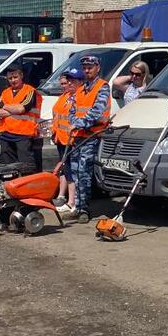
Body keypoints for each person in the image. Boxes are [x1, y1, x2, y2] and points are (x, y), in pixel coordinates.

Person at [66, 54, 112, 218]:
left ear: (97, 68)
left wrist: (78, 123)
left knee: (84, 172)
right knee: (75, 172)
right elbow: (71, 111)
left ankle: (83, 209)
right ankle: (77, 207)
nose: (87, 70)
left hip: (92, 136)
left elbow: (96, 112)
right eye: (84, 68)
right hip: (78, 137)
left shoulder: (103, 87)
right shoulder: (80, 89)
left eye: (90, 67)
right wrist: (74, 122)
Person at [0, 64, 41, 170]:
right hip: (6, 133)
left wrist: (5, 107)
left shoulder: (30, 91)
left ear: (21, 76)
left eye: (15, 77)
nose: (13, 80)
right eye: (10, 78)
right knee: (8, 167)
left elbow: (21, 109)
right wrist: (13, 110)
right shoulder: (5, 92)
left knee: (26, 166)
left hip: (23, 134)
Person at [52, 70, 78, 215]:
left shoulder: (74, 98)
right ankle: (67, 199)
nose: (65, 85)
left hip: (70, 139)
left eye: (68, 82)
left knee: (71, 171)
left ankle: (72, 202)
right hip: (61, 138)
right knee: (66, 170)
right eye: (63, 83)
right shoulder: (64, 97)